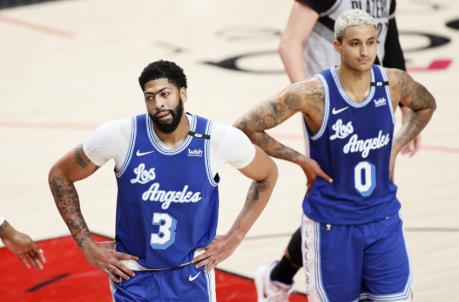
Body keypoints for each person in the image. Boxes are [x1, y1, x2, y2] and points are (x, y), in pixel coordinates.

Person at [235, 9, 436, 302]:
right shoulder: (312, 93)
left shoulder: (393, 83)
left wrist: (396, 144)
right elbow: (245, 127)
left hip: (384, 221)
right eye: (355, 43)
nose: (365, 51)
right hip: (332, 227)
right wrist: (298, 158)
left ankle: (277, 276)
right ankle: (277, 276)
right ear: (338, 46)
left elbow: (426, 105)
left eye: (370, 42)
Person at [48, 60, 278, 301]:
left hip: (191, 275)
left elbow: (268, 174)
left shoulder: (216, 139)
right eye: (150, 97)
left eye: (164, 94)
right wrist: (87, 245)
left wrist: (235, 237)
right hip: (132, 277)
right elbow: (60, 175)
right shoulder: (120, 136)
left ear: (183, 93)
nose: (158, 104)